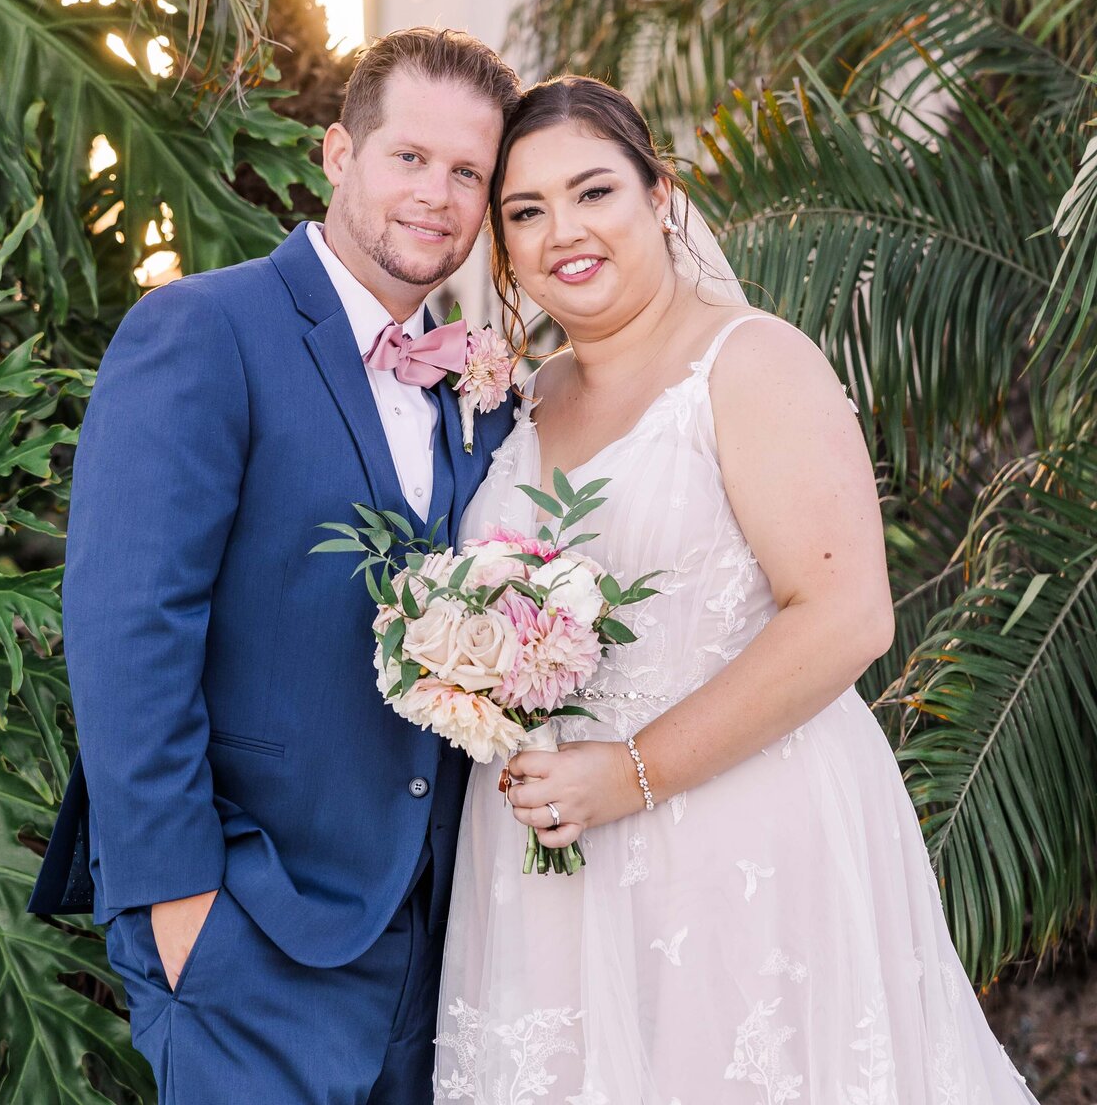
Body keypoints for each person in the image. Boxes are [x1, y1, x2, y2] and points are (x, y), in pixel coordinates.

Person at [433, 74, 1038, 1105]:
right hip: (547, 868)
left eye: (594, 193)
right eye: (525, 212)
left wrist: (626, 775)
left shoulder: (750, 365)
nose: (562, 232)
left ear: (660, 196)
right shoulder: (522, 399)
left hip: (736, 839)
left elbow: (848, 616)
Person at [28, 27, 521, 1103]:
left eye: (467, 174)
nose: (436, 194)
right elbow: (129, 624)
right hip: (249, 921)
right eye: (409, 157)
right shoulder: (204, 329)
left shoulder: (484, 392)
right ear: (339, 155)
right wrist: (179, 905)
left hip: (443, 942)